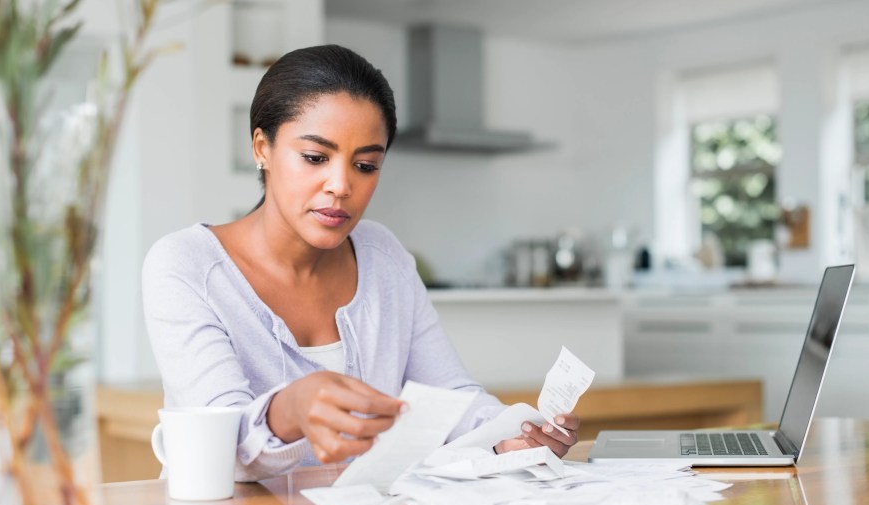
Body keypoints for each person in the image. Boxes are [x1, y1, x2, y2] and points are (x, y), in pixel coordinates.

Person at [142, 44, 579, 481]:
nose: (341, 185)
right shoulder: (186, 266)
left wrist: (514, 436)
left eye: (366, 165)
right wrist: (289, 409)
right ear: (262, 147)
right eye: (315, 158)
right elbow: (219, 443)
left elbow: (451, 395)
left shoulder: (382, 255)